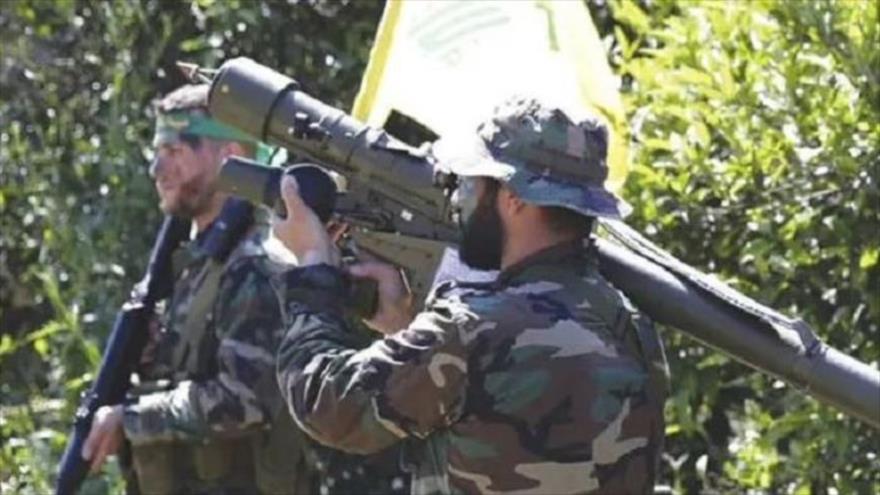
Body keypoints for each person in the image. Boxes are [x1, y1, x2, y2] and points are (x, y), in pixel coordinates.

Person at [272, 96, 669, 494]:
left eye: (473, 184)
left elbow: (327, 405)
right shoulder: (633, 327)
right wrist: (404, 327)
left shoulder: (471, 328)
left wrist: (313, 268)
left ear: (514, 198)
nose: (461, 200)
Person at [80, 84, 320, 494]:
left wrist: (133, 419)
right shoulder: (196, 262)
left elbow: (245, 399)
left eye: (174, 151)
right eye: (158, 152)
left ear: (229, 157)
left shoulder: (258, 263)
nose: (158, 169)